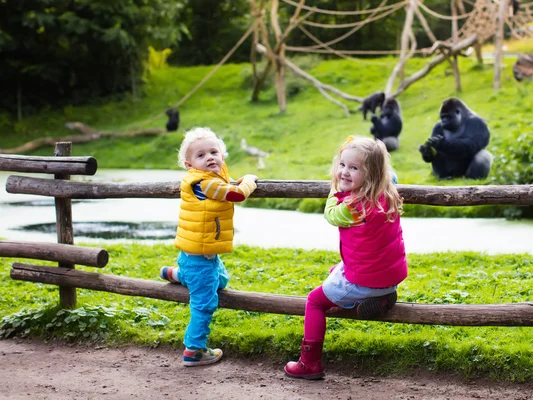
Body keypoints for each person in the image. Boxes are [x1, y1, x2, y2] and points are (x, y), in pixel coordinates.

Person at [284, 136, 408, 380]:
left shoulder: (352, 206)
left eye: (354, 168)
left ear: (371, 174)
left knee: (314, 301)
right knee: (336, 270)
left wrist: (334, 187)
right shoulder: (386, 189)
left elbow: (330, 215)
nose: (344, 172)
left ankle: (309, 363)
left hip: (365, 280)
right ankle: (381, 298)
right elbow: (388, 174)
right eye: (342, 165)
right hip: (390, 276)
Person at [159, 127, 258, 367]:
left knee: (221, 281)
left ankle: (177, 274)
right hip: (200, 259)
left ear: (222, 155)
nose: (210, 157)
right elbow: (235, 195)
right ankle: (194, 350)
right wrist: (249, 181)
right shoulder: (203, 183)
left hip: (202, 256)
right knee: (204, 304)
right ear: (189, 163)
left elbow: (225, 187)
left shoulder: (213, 179)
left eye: (214, 152)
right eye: (201, 155)